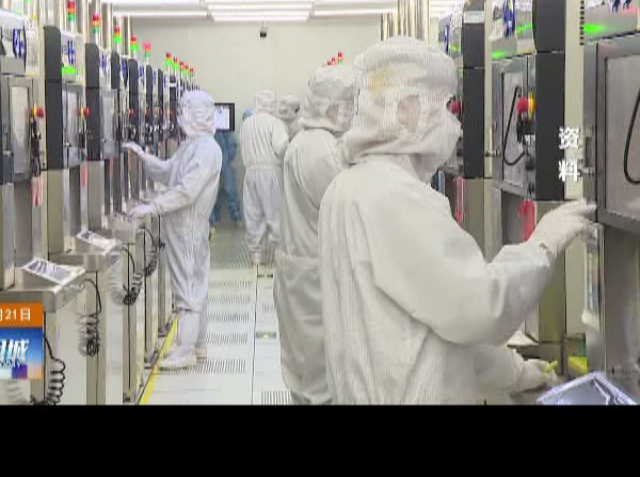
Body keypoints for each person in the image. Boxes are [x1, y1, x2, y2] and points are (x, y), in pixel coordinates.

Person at [319, 37, 595, 404]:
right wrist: (541, 246)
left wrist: (517, 373)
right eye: (444, 107)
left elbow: (445, 324)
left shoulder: (346, 189)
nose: (454, 123)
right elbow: (480, 305)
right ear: (407, 110)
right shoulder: (395, 198)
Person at [273, 64, 356, 405]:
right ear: (330, 106)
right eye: (346, 106)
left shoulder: (309, 141)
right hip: (313, 277)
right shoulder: (319, 149)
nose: (350, 113)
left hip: (302, 269)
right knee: (321, 377)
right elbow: (345, 207)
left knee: (306, 372)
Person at [126, 89, 223, 370]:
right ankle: (198, 345)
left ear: (196, 114)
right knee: (194, 286)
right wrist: (144, 158)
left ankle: (185, 349)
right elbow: (170, 171)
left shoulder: (207, 150)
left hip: (188, 228)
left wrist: (154, 206)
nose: (180, 116)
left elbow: (187, 191)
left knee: (188, 288)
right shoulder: (191, 145)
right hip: (181, 227)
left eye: (184, 110)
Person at [240, 91, 289, 267]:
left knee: (253, 214)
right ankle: (278, 254)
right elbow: (281, 147)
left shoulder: (246, 123)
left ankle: (256, 256)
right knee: (275, 213)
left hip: (250, 173)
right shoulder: (275, 123)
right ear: (272, 105)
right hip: (271, 174)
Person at [209, 129, 243, 235]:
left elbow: (232, 144)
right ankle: (213, 219)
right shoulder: (208, 129)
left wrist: (230, 159)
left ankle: (236, 216)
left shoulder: (224, 129)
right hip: (212, 162)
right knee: (211, 192)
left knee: (229, 189)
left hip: (225, 161)